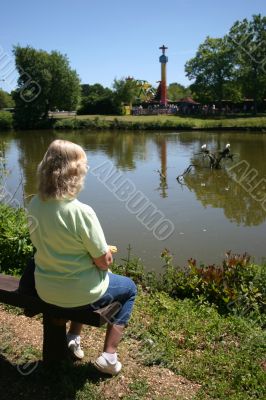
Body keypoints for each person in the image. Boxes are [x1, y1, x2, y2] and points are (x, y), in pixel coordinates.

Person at [27, 139, 137, 375]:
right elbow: (103, 261)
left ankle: (73, 337)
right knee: (129, 287)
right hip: (80, 293)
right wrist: (103, 253)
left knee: (86, 278)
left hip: (46, 288)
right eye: (84, 166)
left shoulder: (34, 204)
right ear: (73, 172)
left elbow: (44, 245)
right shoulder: (82, 212)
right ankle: (109, 356)